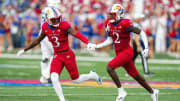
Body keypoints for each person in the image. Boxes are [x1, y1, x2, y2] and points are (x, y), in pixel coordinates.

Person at [17, 7, 102, 101]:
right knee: (53, 77)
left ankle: (92, 75)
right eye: (54, 19)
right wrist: (24, 50)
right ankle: (62, 99)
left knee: (76, 80)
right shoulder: (45, 27)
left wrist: (88, 42)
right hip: (57, 55)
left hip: (67, 54)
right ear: (48, 19)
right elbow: (37, 40)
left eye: (58, 18)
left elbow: (76, 33)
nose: (57, 21)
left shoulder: (64, 25)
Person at [88, 4, 159, 101]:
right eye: (110, 14)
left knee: (110, 68)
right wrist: (97, 46)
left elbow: (141, 32)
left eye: (113, 14)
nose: (110, 17)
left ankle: (121, 91)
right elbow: (110, 40)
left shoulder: (125, 23)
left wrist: (146, 47)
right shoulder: (108, 24)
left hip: (126, 52)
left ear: (119, 14)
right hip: (119, 53)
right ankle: (153, 91)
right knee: (136, 76)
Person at [38, 0, 61, 83]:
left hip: (42, 33)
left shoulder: (44, 10)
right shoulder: (53, 11)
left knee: (45, 57)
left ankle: (43, 78)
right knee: (58, 53)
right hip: (48, 34)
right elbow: (54, 23)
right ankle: (46, 73)